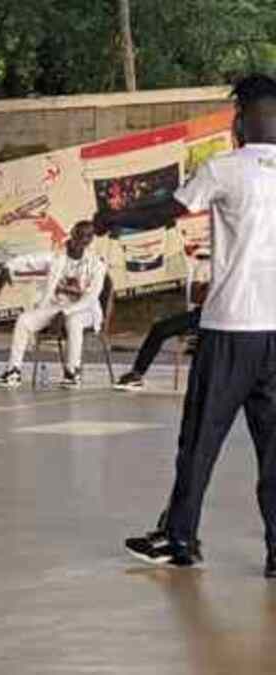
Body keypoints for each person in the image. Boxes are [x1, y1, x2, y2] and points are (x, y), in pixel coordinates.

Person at [96, 74, 276, 576]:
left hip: (232, 328)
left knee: (200, 440)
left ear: (241, 120)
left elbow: (168, 210)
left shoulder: (225, 169)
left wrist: (112, 218)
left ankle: (180, 538)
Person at [0, 221, 107, 390]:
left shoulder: (97, 264)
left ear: (91, 240)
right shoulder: (56, 257)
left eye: (87, 236)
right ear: (72, 233)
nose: (82, 239)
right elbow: (30, 260)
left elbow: (90, 298)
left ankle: (72, 373)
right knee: (24, 320)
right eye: (79, 234)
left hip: (84, 310)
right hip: (55, 308)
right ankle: (13, 372)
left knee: (73, 321)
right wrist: (8, 267)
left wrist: (66, 312)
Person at [114, 248, 211, 391]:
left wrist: (209, 290)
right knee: (159, 328)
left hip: (230, 319)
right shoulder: (205, 266)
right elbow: (196, 297)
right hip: (203, 315)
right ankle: (137, 374)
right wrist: (211, 287)